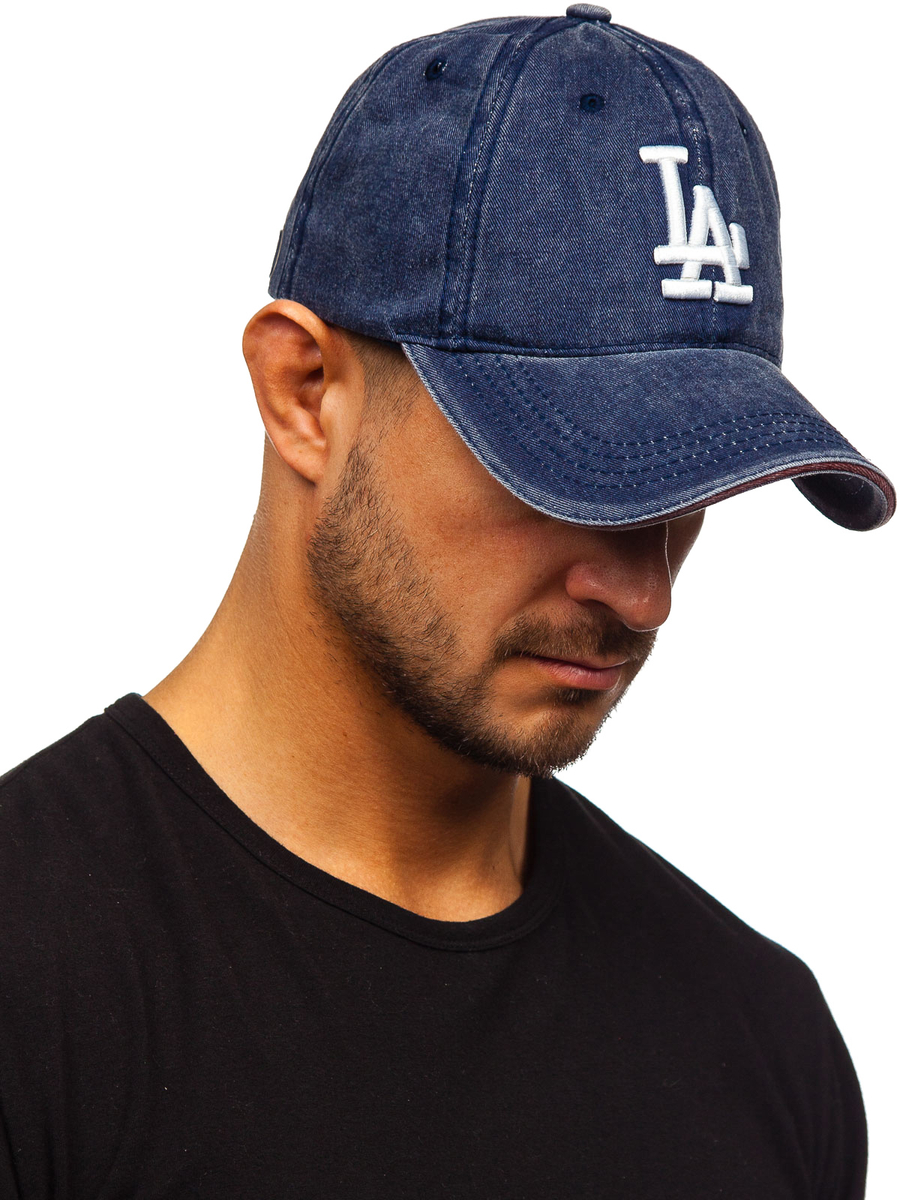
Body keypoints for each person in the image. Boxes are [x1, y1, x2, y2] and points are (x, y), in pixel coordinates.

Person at [0, 6, 893, 1197]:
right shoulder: (32, 987)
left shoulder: (764, 1045)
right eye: (563, 469)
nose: (644, 595)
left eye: (691, 488)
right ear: (304, 391)